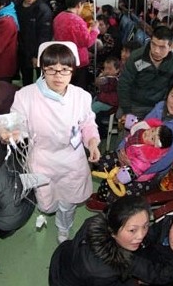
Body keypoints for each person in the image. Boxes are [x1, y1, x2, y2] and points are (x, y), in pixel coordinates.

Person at [11, 41, 101, 243]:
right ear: (42, 69)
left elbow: (87, 124)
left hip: (72, 160)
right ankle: (49, 211)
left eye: (65, 70)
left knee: (68, 203)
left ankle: (63, 227)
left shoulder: (81, 97)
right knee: (47, 204)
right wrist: (11, 133)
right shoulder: (26, 96)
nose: (58, 76)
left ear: (73, 71)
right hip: (43, 159)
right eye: (51, 70)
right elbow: (17, 125)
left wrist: (93, 142)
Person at [95, 118, 173, 202]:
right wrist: (127, 121)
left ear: (154, 147)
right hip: (124, 157)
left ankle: (107, 202)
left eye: (152, 139)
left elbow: (136, 169)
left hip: (135, 176)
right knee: (105, 168)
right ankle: (100, 197)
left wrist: (121, 177)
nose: (148, 134)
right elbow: (136, 125)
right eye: (153, 130)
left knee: (118, 193)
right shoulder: (142, 130)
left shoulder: (145, 157)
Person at [53, 0, 100, 89]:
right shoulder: (78, 21)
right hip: (78, 60)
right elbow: (87, 42)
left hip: (63, 57)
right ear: (79, 4)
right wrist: (94, 30)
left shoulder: (58, 17)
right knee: (78, 88)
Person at [15, 0, 53, 86]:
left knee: (41, 82)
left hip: (38, 51)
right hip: (22, 50)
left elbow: (44, 35)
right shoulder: (16, 6)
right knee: (26, 80)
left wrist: (38, 55)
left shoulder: (43, 9)